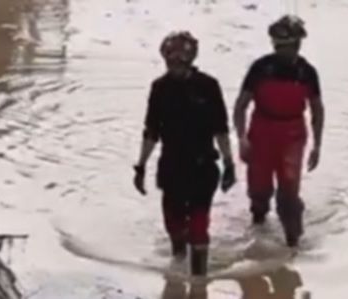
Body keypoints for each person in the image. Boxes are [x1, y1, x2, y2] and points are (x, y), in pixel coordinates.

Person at [134, 31, 237, 277]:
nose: (175, 66)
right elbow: (151, 132)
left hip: (203, 167)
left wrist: (229, 163)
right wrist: (140, 166)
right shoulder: (159, 88)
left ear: (190, 60)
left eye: (180, 61)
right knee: (174, 225)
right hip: (171, 167)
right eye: (170, 61)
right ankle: (178, 267)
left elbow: (221, 129)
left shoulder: (209, 87)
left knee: (199, 228)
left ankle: (199, 284)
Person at [234, 15, 324, 248]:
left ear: (298, 45)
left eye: (290, 46)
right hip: (261, 130)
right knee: (258, 188)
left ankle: (293, 242)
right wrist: (242, 138)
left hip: (292, 134)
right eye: (280, 46)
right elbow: (241, 105)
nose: (286, 51)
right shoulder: (261, 68)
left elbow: (317, 109)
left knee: (289, 187)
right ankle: (258, 228)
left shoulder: (307, 72)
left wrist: (317, 146)